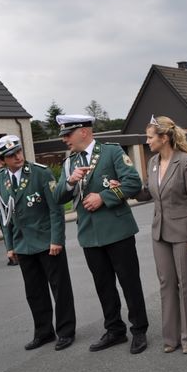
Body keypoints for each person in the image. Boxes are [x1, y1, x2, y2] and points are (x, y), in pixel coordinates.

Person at [54, 114, 149, 354]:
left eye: (68, 134)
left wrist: (103, 198)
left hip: (118, 230)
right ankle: (114, 330)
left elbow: (133, 183)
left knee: (130, 283)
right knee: (103, 286)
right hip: (89, 234)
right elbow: (58, 197)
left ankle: (139, 329)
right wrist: (70, 182)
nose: (65, 139)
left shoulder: (111, 152)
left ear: (84, 131)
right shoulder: (70, 163)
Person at [0, 135, 76, 351]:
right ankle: (44, 332)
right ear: (2, 160)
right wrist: (10, 246)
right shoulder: (0, 180)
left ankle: (66, 331)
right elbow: (6, 217)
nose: (18, 157)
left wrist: (56, 239)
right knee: (34, 292)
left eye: (18, 152)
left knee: (60, 289)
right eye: (11, 155)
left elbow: (56, 209)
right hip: (23, 245)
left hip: (47, 242)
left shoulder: (40, 173)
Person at [135, 115, 187, 354]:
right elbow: (148, 193)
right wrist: (123, 188)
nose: (147, 141)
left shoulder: (186, 162)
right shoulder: (153, 162)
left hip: (184, 232)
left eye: (150, 137)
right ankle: (171, 338)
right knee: (166, 284)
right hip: (160, 233)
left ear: (164, 138)